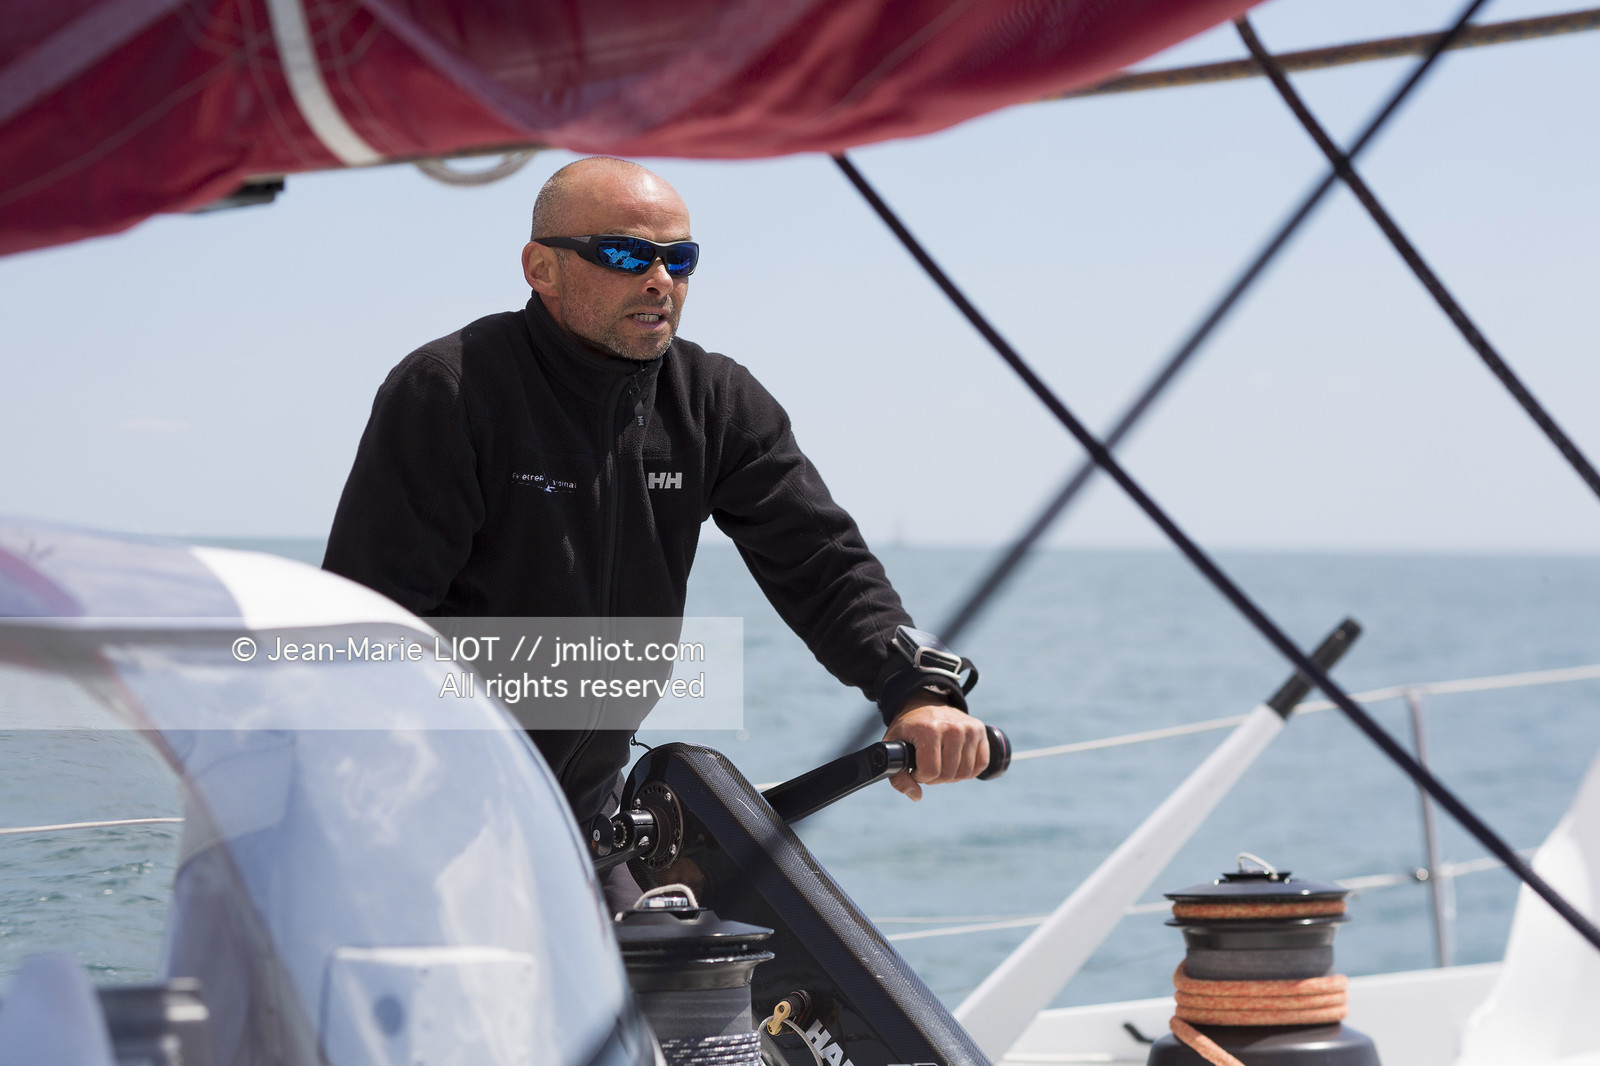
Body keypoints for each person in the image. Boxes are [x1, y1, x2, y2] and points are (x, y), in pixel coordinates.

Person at [323, 156, 989, 835]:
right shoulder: (452, 388)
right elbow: (374, 625)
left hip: (588, 817)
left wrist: (918, 689)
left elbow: (821, 562)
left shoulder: (713, 402)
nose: (660, 279)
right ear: (541, 268)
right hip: (427, 805)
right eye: (626, 254)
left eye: (681, 259)